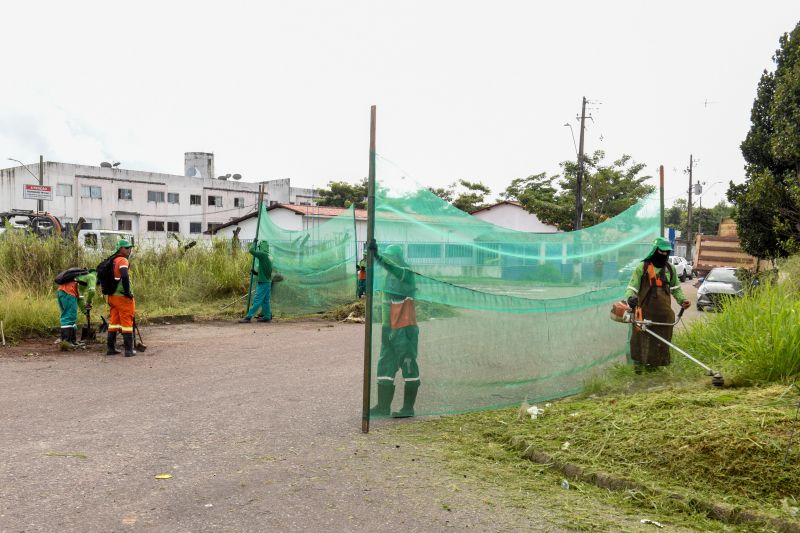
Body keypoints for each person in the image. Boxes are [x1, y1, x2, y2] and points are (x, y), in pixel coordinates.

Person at [623, 237, 690, 372]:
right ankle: (639, 369)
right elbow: (632, 288)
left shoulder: (670, 269)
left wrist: (683, 300)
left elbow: (676, 289)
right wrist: (630, 298)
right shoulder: (643, 267)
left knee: (660, 343)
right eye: (662, 251)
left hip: (664, 317)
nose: (664, 254)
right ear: (655, 250)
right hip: (643, 315)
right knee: (640, 342)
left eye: (667, 252)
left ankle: (655, 370)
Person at [369, 244, 420, 418]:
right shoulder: (389, 276)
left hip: (405, 329)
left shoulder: (405, 273)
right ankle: (383, 407)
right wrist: (385, 328)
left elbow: (391, 267)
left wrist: (378, 258)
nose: (389, 259)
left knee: (408, 364)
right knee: (385, 365)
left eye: (391, 256)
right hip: (389, 328)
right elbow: (387, 306)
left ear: (398, 258)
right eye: (387, 256)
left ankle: (408, 408)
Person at [107, 240, 136, 357]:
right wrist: (127, 292)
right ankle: (129, 350)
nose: (129, 250)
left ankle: (110, 348)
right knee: (127, 321)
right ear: (121, 249)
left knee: (114, 322)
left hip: (112, 297)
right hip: (122, 296)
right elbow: (124, 274)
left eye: (130, 248)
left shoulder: (112, 260)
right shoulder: (122, 260)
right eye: (127, 248)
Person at [56, 268, 97, 346]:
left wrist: (85, 312)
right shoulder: (92, 276)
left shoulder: (82, 278)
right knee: (69, 316)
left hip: (62, 292)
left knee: (71, 316)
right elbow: (92, 291)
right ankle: (66, 342)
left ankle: (72, 341)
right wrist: (89, 302)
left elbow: (80, 298)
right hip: (68, 293)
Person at [239, 240, 273, 323]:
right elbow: (266, 271)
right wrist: (256, 273)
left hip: (263, 282)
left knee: (257, 300)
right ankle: (267, 316)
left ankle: (248, 317)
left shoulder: (263, 255)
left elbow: (251, 251)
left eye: (259, 247)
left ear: (261, 247)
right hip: (267, 281)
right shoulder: (270, 256)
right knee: (265, 300)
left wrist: (254, 243)